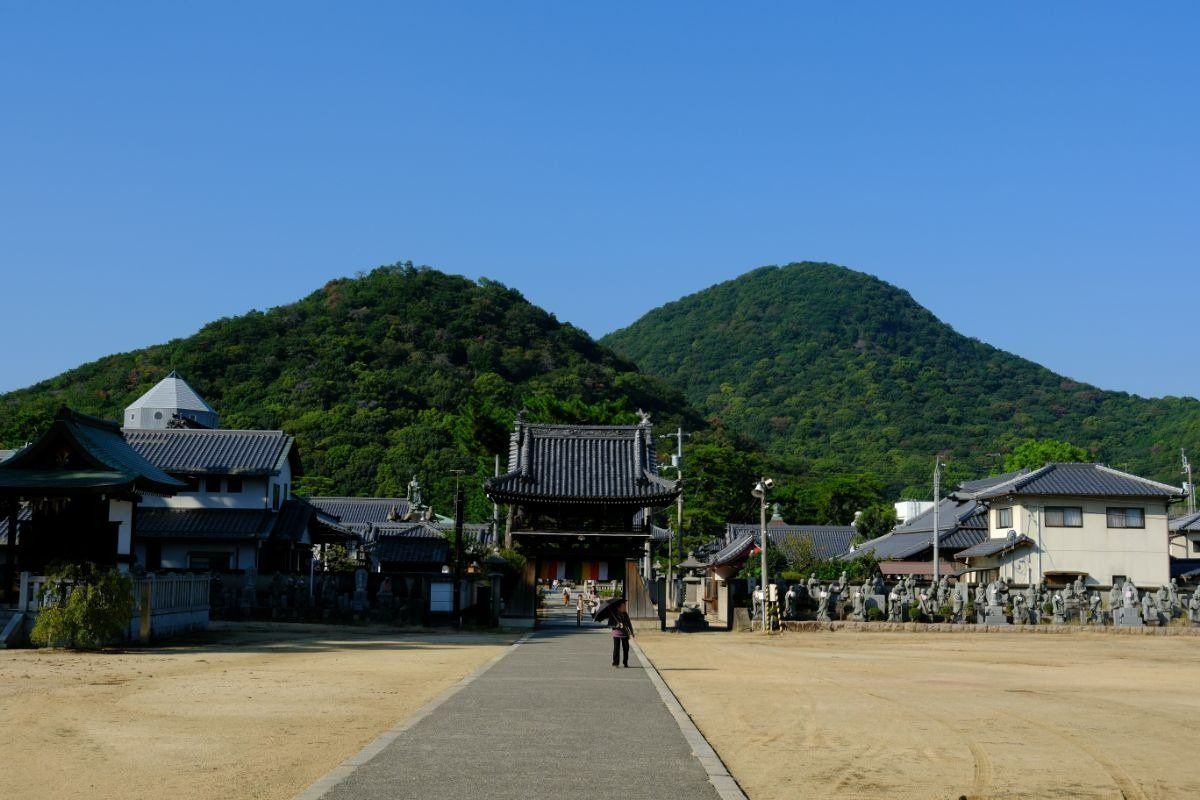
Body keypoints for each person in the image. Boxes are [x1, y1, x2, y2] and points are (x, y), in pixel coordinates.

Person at [610, 601, 634, 667]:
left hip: (625, 633)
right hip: (616, 633)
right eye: (623, 606)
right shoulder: (613, 614)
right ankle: (615, 662)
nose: (624, 607)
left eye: (624, 606)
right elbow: (610, 624)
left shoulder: (625, 614)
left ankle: (625, 662)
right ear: (618, 608)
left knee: (626, 648)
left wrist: (632, 631)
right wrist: (617, 625)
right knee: (616, 648)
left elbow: (629, 623)